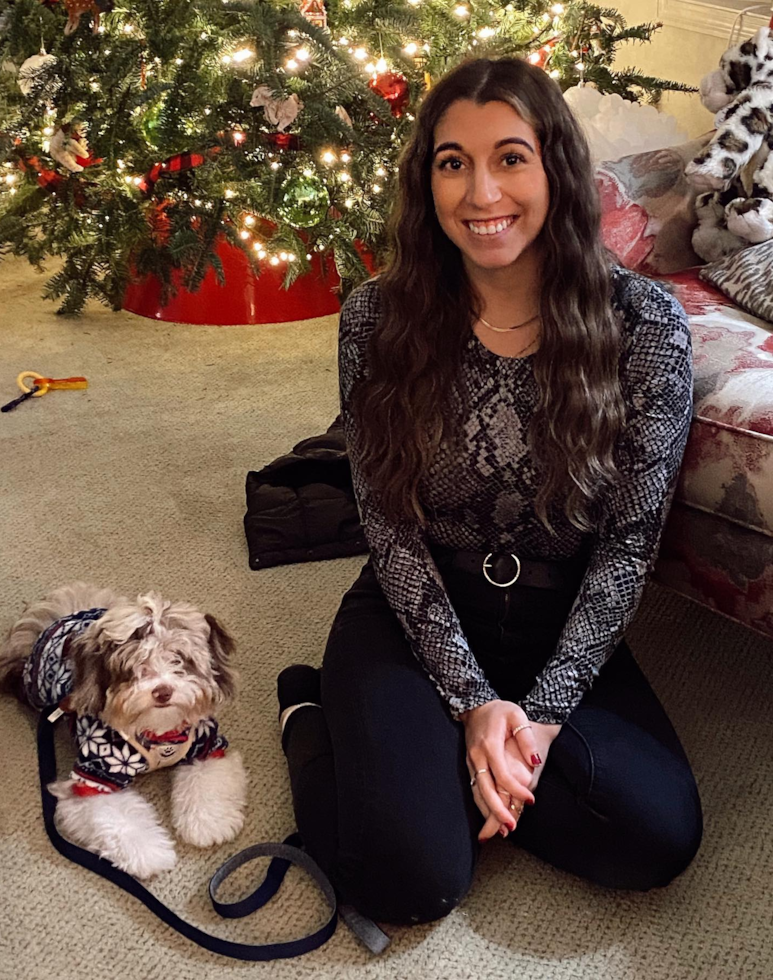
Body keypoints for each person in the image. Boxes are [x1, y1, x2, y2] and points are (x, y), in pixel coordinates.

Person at [276, 56, 702, 926]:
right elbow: (386, 525)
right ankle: (314, 714)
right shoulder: (375, 316)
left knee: (657, 840)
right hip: (414, 606)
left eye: (510, 157)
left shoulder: (646, 326)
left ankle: (444, 777)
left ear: (553, 166)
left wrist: (536, 721)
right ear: (425, 179)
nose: (481, 193)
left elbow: (628, 547)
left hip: (558, 620)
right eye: (452, 162)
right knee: (411, 882)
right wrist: (472, 703)